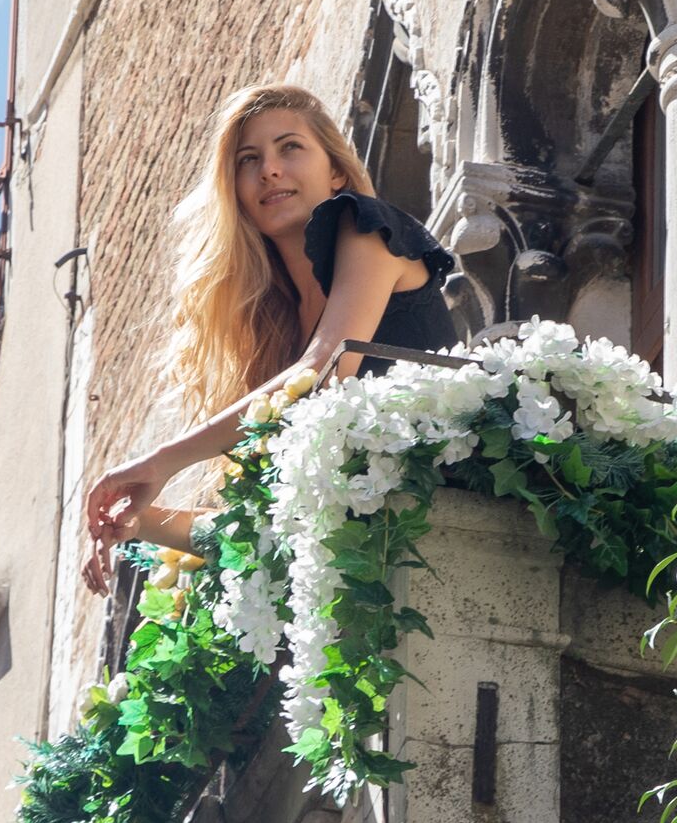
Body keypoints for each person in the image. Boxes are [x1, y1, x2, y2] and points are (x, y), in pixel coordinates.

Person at [80, 82, 463, 590]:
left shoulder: (369, 230)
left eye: (290, 147)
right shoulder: (274, 330)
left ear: (337, 173)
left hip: (445, 534)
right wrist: (133, 522)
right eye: (247, 160)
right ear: (235, 192)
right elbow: (259, 529)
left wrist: (160, 461)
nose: (270, 169)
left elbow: (324, 372)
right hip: (371, 572)